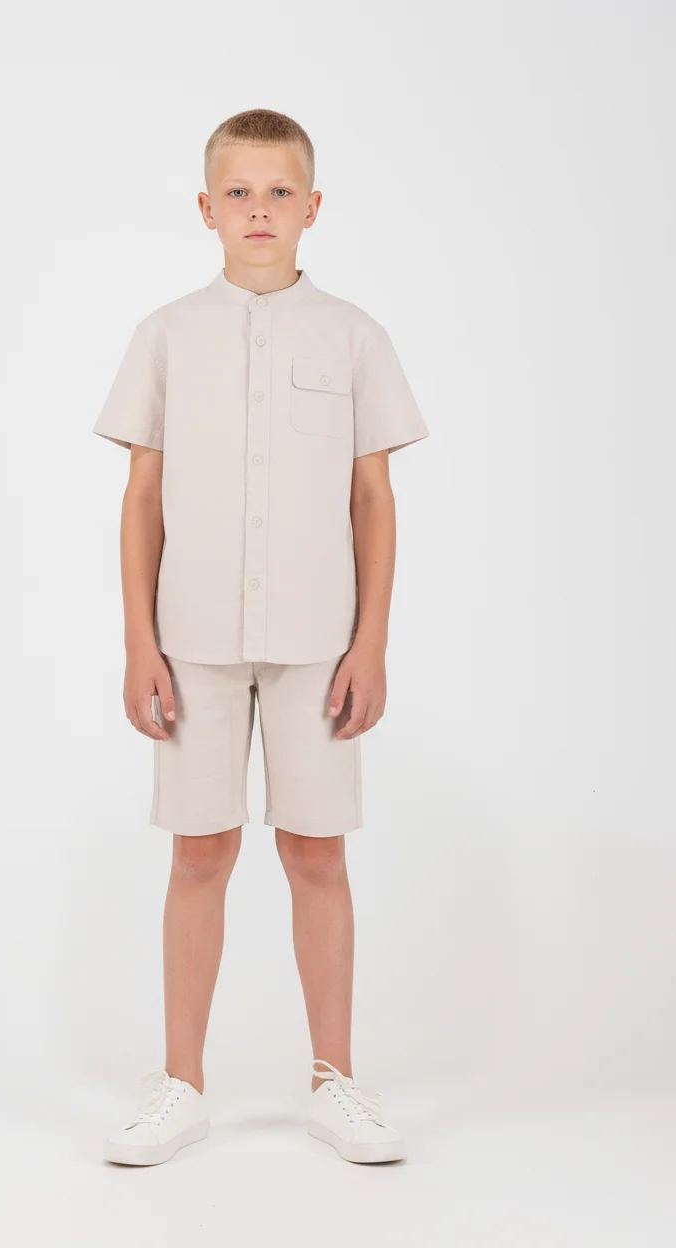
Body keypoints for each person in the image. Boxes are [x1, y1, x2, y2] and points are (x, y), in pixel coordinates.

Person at [92, 108, 429, 1166]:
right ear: (206, 208)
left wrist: (371, 643)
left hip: (319, 643)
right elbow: (141, 498)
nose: (259, 210)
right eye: (238, 192)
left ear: (313, 207)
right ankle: (181, 1085)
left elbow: (372, 500)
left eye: (280, 192)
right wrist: (138, 642)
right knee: (200, 852)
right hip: (190, 639)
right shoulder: (166, 335)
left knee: (316, 852)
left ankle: (335, 1080)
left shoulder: (354, 336)